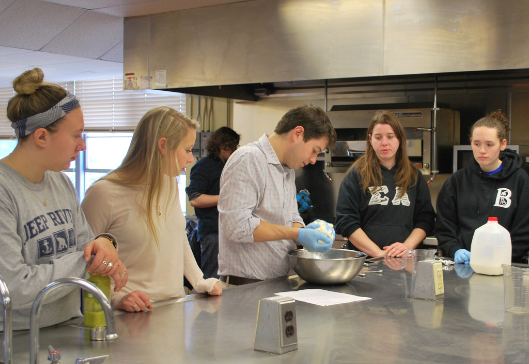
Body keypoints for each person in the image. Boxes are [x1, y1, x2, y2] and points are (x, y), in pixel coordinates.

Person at [0, 68, 126, 340]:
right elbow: (12, 289)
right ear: (42, 136)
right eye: (76, 135)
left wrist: (103, 245)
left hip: (62, 332)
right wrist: (89, 259)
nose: (83, 145)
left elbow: (86, 248)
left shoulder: (60, 182)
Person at [81, 106, 222, 313]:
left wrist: (198, 280)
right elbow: (83, 261)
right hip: (130, 317)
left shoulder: (170, 184)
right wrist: (115, 297)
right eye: (187, 150)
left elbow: (177, 238)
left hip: (172, 309)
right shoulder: (104, 193)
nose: (190, 159)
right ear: (163, 145)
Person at [218, 105, 337, 285]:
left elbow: (291, 216)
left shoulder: (287, 169)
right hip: (245, 287)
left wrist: (306, 231)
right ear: (298, 133)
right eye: (314, 150)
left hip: (275, 282)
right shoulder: (249, 159)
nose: (313, 160)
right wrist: (297, 234)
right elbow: (238, 226)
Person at [435, 110, 529, 264]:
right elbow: (445, 226)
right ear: (471, 142)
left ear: (503, 144)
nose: (482, 150)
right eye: (477, 144)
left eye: (489, 144)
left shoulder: (519, 180)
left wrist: (498, 259)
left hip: (503, 267)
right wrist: (455, 250)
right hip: (463, 266)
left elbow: (526, 230)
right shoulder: (457, 180)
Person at [335, 111, 435, 258]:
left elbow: (425, 219)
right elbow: (346, 221)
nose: (384, 143)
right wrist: (378, 253)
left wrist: (406, 247)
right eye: (378, 137)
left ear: (399, 139)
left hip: (404, 262)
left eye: (390, 136)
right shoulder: (356, 175)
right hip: (365, 263)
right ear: (370, 139)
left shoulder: (414, 176)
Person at [186, 127, 241, 278]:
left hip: (228, 232)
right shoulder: (203, 166)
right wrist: (226, 198)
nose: (234, 150)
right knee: (211, 280)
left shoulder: (226, 166)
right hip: (212, 234)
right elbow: (195, 199)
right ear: (222, 146)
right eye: (231, 146)